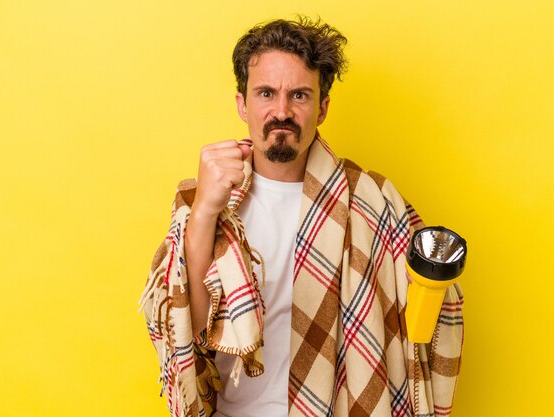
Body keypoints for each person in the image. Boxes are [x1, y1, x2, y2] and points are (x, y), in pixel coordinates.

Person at [140, 16, 464, 417]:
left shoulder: (371, 200)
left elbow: (427, 313)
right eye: (265, 93)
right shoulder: (209, 199)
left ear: (322, 108)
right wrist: (205, 209)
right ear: (242, 104)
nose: (281, 110)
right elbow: (190, 329)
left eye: (299, 96)